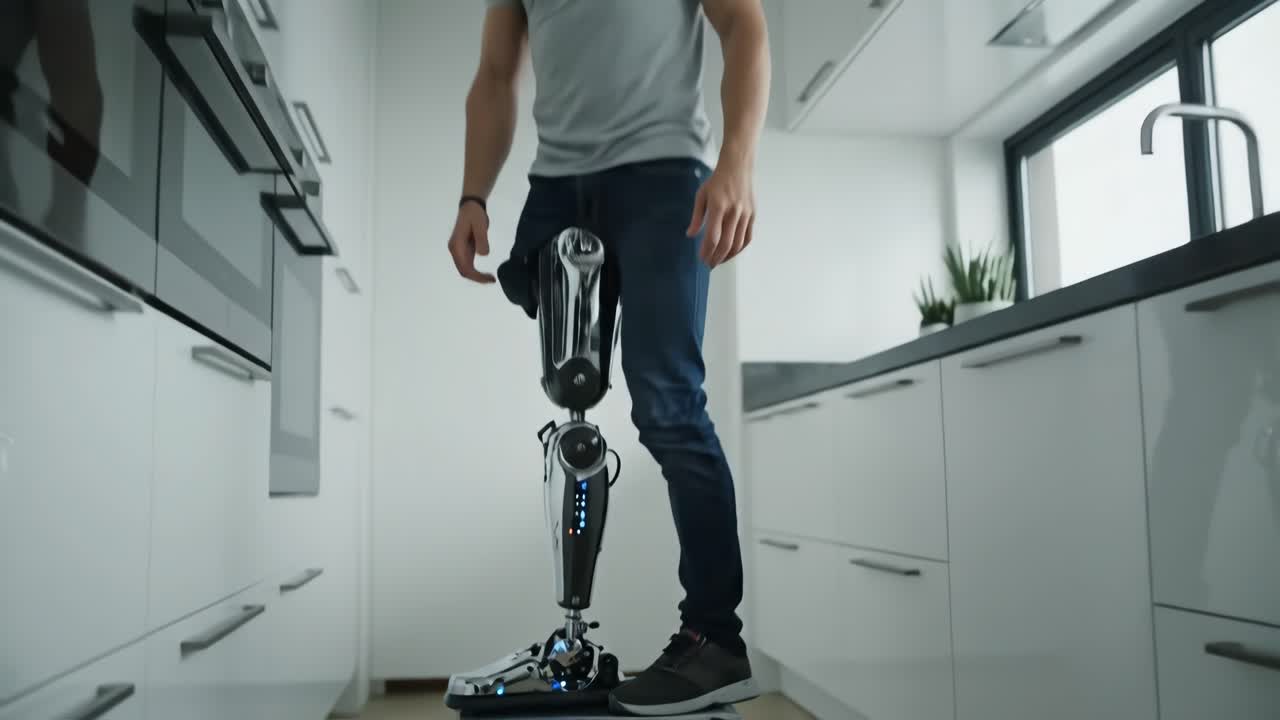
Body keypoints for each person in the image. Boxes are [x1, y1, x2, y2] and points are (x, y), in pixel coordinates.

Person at [448, 0, 770, 715]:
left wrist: (737, 164)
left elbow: (744, 24)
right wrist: (474, 192)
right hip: (557, 189)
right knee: (573, 398)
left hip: (662, 176)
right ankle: (573, 640)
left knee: (667, 406)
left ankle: (715, 638)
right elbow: (497, 73)